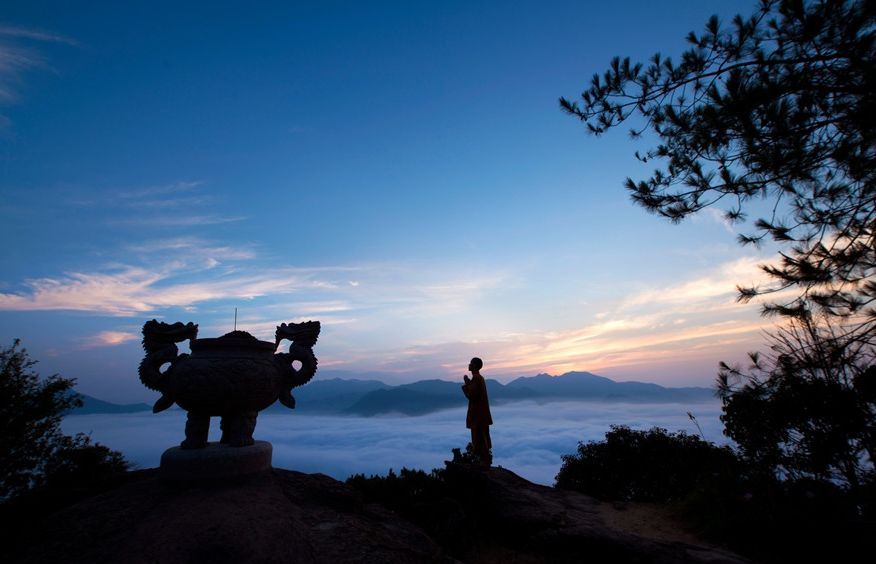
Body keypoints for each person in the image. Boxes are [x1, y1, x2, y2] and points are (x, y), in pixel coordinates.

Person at [462, 357, 492, 466]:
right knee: (482, 437)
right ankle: (484, 460)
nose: (469, 365)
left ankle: (483, 462)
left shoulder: (477, 378)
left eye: (471, 363)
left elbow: (471, 395)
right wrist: (468, 383)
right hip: (482, 414)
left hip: (478, 415)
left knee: (479, 439)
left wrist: (466, 384)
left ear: (474, 366)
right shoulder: (479, 378)